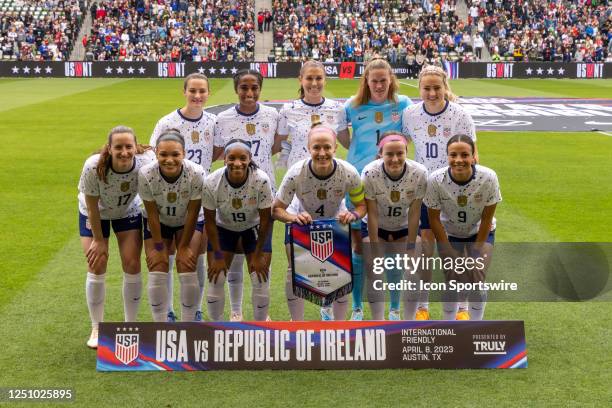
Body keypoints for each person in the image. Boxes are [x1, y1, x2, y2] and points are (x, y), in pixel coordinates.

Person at [337, 58, 412, 321]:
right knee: (359, 249)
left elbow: (409, 136)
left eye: (383, 80)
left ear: (391, 79)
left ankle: (393, 309)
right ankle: (357, 308)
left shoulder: (403, 104)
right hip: (357, 183)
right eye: (374, 80)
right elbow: (342, 137)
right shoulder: (351, 106)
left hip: (392, 184)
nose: (379, 85)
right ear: (366, 81)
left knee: (392, 250)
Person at [402, 64, 478, 320]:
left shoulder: (460, 114)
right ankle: (422, 306)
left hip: (454, 190)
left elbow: (472, 155)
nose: (432, 93)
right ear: (419, 88)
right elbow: (399, 146)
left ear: (445, 87)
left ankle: (462, 308)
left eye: (437, 88)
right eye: (427, 88)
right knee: (425, 249)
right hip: (424, 190)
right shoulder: (410, 114)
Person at [272, 124, 366, 321]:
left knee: (340, 272)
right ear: (308, 148)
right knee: (294, 270)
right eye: (316, 147)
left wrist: (353, 215)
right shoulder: (296, 173)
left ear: (335, 148)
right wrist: (293, 218)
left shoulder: (348, 172)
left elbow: (362, 206)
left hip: (335, 220)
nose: (322, 152)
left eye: (327, 147)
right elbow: (277, 209)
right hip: (302, 221)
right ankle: (297, 323)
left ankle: (337, 325)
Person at [78, 126, 154, 349]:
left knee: (132, 264)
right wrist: (99, 240)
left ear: (135, 147)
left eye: (128, 146)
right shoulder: (94, 166)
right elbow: (91, 205)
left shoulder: (145, 160)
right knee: (97, 264)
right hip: (95, 212)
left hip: (127, 210)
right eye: (118, 147)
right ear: (109, 148)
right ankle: (97, 327)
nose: (124, 152)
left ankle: (130, 326)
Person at [214, 69, 280, 321]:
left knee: (261, 252)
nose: (249, 93)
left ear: (260, 89)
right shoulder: (223, 118)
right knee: (236, 254)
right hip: (230, 192)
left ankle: (262, 315)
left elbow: (274, 146)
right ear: (236, 89)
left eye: (254, 88)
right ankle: (236, 310)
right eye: (244, 87)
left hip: (264, 191)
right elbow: (219, 152)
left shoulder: (272, 115)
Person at [150, 73, 216, 322]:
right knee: (165, 255)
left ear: (208, 93)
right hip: (167, 199)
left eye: (202, 91)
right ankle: (167, 312)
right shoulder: (166, 122)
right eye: (193, 91)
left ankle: (194, 309)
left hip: (201, 198)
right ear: (184, 91)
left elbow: (218, 151)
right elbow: (152, 157)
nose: (197, 96)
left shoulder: (213, 121)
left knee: (196, 255)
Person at [424, 135, 501, 321]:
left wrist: (477, 248)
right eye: (453, 155)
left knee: (476, 277)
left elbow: (487, 217)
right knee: (452, 280)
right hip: (450, 234)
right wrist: (446, 248)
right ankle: (449, 325)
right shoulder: (436, 179)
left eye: (465, 155)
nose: (459, 160)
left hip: (480, 232)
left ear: (473, 156)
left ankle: (475, 326)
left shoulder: (488, 177)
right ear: (447, 156)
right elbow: (433, 219)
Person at [203, 139, 273, 321]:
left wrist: (258, 254)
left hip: (254, 227)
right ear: (224, 159)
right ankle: (216, 328)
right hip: (223, 228)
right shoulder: (211, 181)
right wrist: (217, 256)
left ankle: (260, 327)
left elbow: (266, 219)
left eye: (243, 158)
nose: (237, 163)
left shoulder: (261, 180)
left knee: (260, 278)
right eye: (231, 158)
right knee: (216, 278)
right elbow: (209, 221)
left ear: (249, 159)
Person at [138, 130, 205, 322]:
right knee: (158, 264)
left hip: (188, 221)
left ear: (184, 153)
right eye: (163, 154)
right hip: (159, 221)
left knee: (186, 263)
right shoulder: (146, 174)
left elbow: (193, 211)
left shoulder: (196, 172)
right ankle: (161, 323)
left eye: (175, 154)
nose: (169, 160)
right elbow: (151, 212)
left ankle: (188, 323)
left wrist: (183, 247)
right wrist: (159, 246)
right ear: (156, 152)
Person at [361, 133, 427, 320]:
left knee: (413, 271)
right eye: (389, 154)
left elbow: (415, 213)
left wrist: (411, 246)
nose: (395, 159)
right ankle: (378, 323)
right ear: (380, 154)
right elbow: (371, 213)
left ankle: (407, 323)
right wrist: (374, 246)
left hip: (405, 228)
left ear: (407, 152)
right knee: (375, 271)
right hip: (376, 227)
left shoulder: (419, 173)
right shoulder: (369, 172)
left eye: (400, 153)